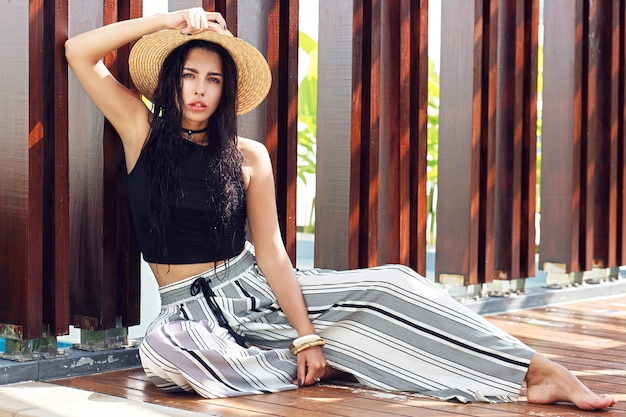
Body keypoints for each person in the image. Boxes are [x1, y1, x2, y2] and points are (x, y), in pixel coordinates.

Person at [65, 7, 616, 410]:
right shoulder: (142, 131)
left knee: (393, 285)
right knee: (164, 355)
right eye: (189, 76)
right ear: (171, 81)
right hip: (187, 319)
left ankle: (534, 371)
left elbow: (275, 254)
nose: (200, 90)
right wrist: (170, 22)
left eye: (213, 79)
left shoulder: (247, 157)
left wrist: (304, 333)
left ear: (227, 92)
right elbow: (79, 52)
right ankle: (348, 356)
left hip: (253, 291)